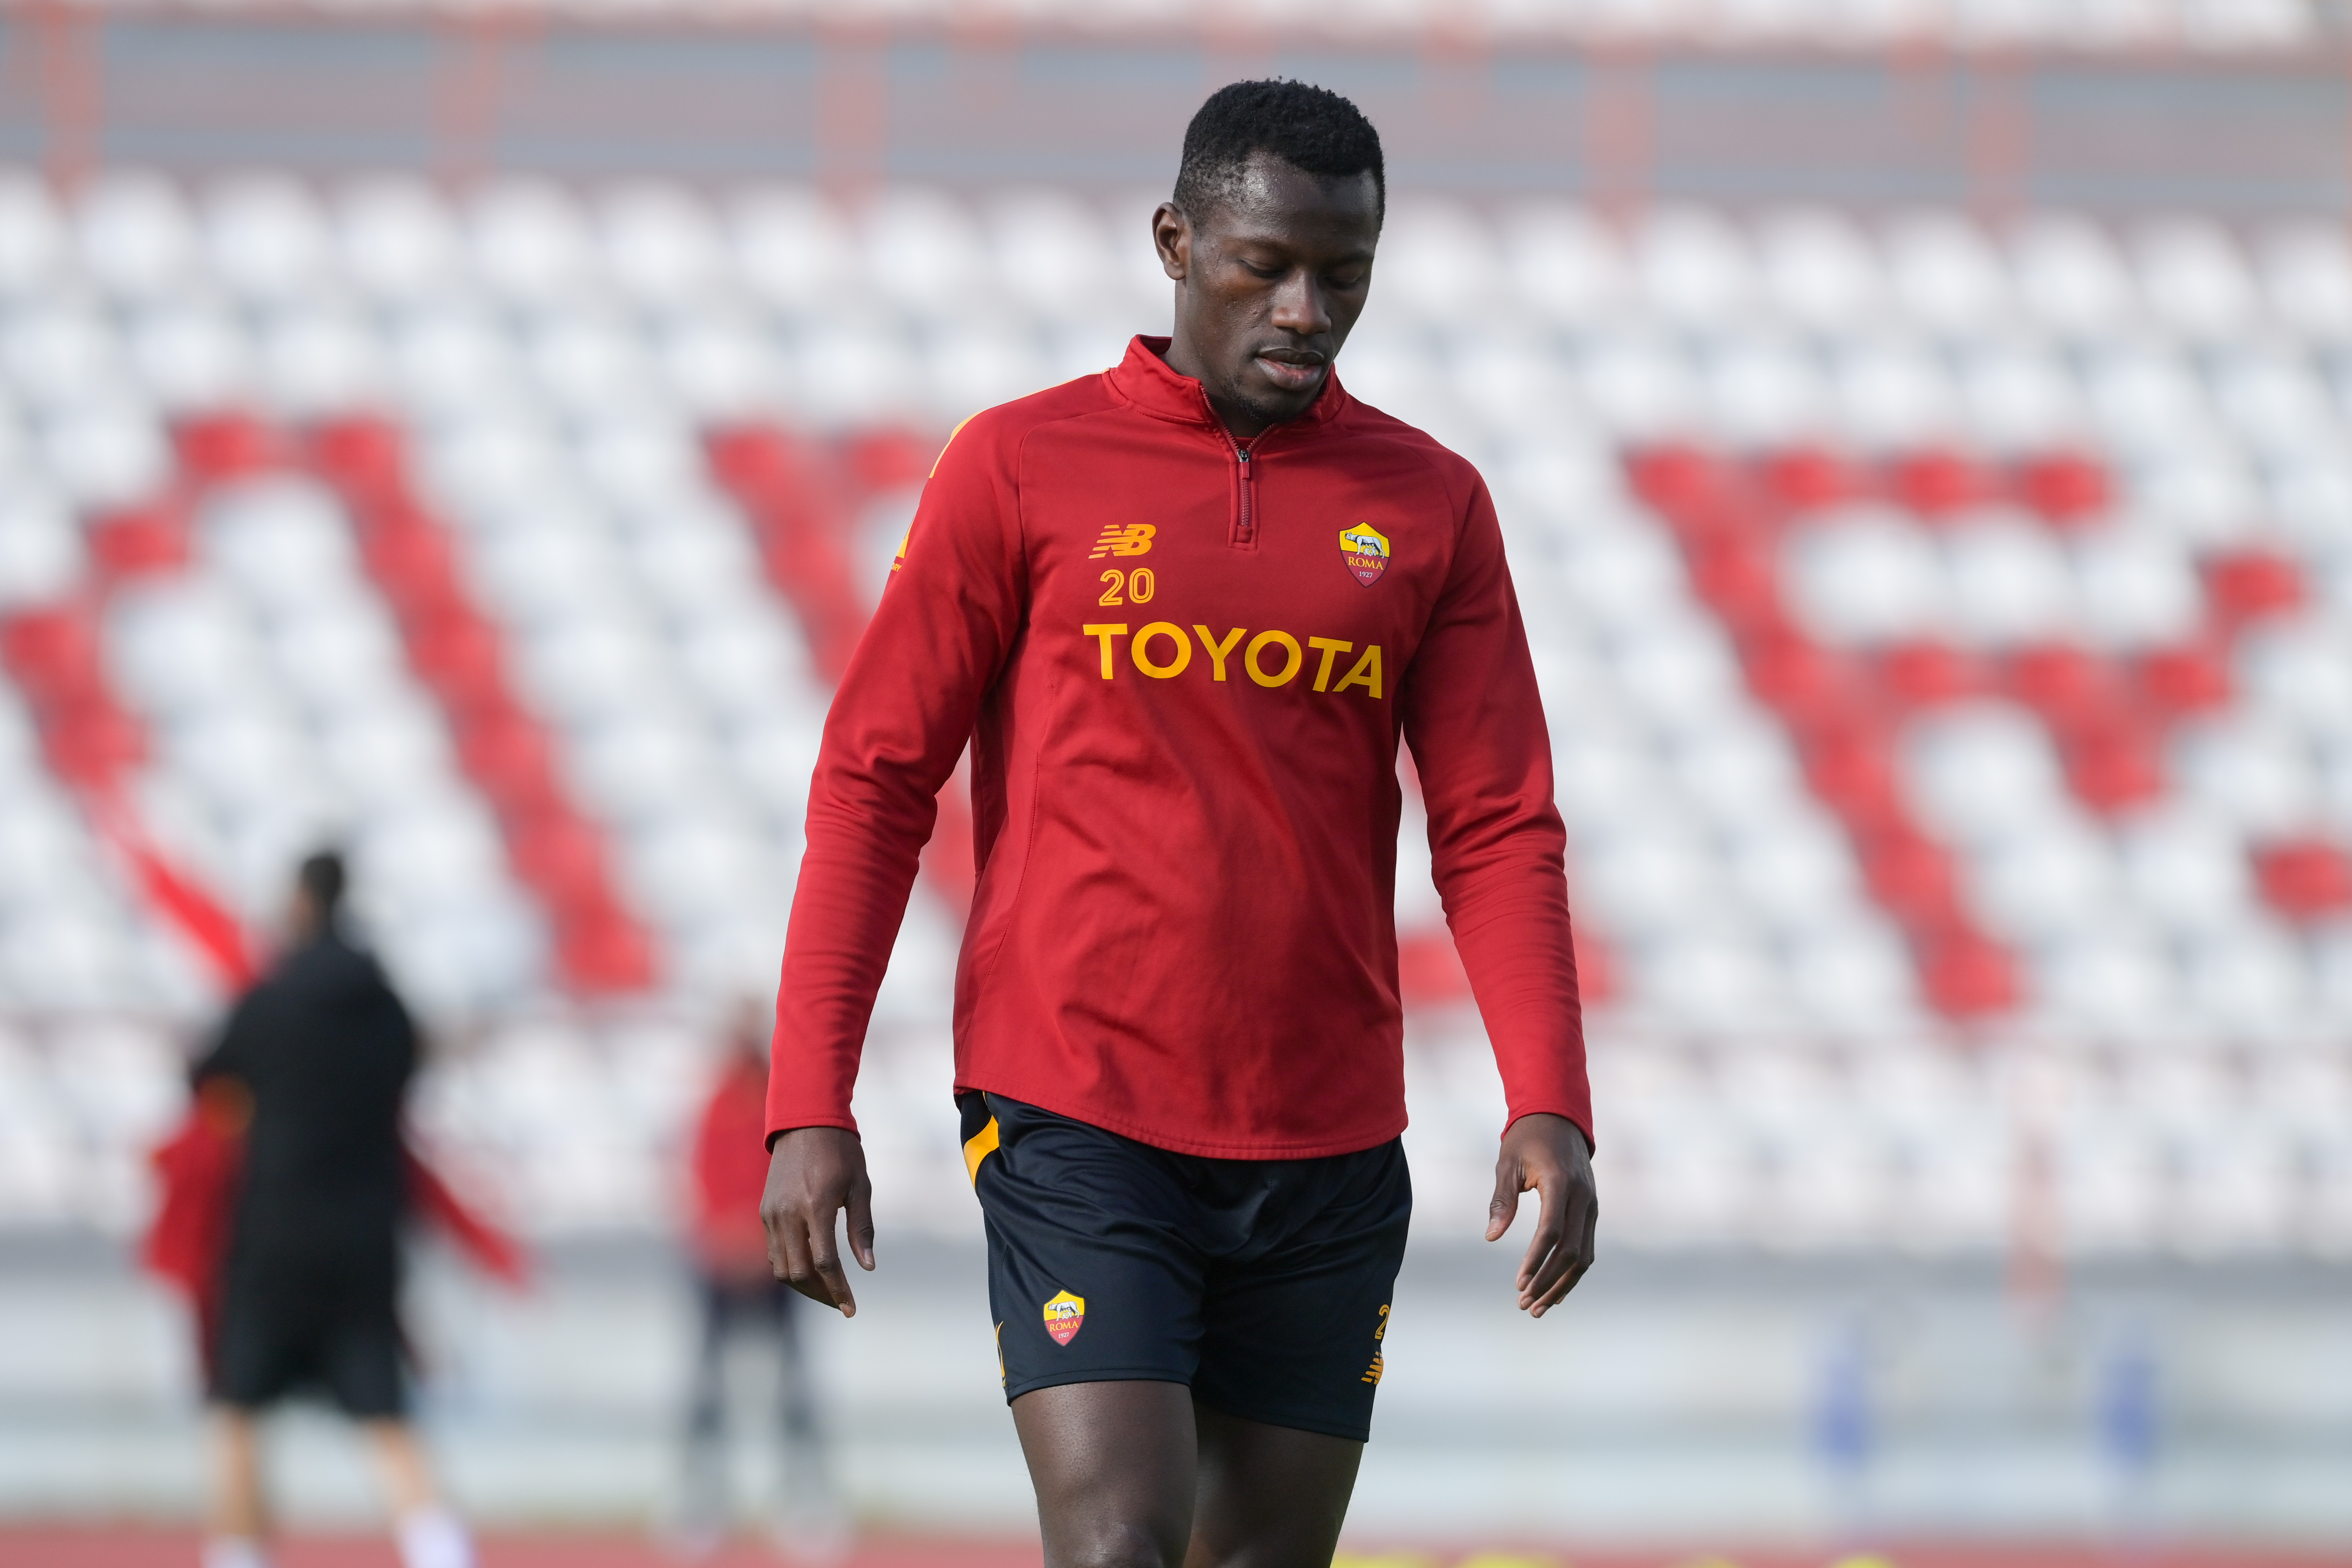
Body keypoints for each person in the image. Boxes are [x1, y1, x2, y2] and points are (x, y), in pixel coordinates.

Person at [761, 79, 1598, 1568]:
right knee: (1120, 1544)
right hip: (1078, 1104)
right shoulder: (1019, 465)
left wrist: (1552, 1100)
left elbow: (1496, 825)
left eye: (1344, 275)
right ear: (1173, 240)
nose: (1304, 308)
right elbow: (875, 780)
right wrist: (806, 1099)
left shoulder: (1431, 505)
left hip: (1330, 1133)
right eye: (1263, 264)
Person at [191, 851, 473, 1568]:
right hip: (366, 1234)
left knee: (239, 1409)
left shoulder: (269, 1000)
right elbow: (410, 1079)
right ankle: (440, 1551)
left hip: (275, 1232)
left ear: (300, 905)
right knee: (385, 1412)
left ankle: (238, 1554)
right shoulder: (387, 1007)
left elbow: (206, 1080)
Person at [674, 1000, 841, 1556]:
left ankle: (804, 1501)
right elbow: (705, 1180)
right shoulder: (718, 1102)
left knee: (795, 1387)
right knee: (708, 1387)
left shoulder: (776, 1103)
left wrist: (764, 1241)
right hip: (723, 1264)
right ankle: (702, 1501)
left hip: (775, 1261)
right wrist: (729, 1238)